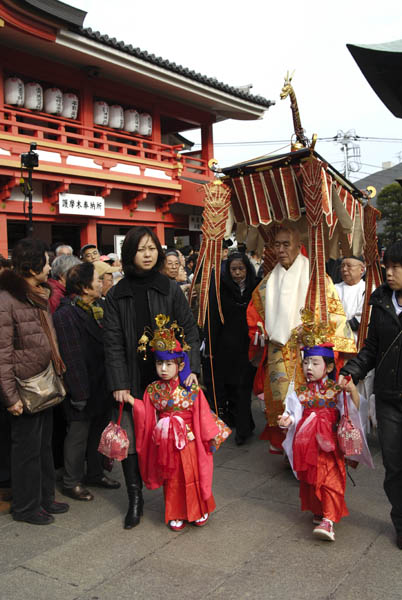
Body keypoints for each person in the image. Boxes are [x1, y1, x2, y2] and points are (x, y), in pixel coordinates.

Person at [103, 226, 200, 529]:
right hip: (133, 379)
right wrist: (119, 383)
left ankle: (182, 498)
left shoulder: (169, 288)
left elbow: (189, 329)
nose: (147, 254)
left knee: (175, 439)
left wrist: (190, 369)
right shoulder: (116, 295)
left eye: (152, 248)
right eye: (140, 249)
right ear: (129, 254)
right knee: (131, 438)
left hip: (169, 378)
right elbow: (113, 342)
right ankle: (135, 498)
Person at [247, 225, 356, 455]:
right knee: (280, 405)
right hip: (278, 352)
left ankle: (308, 451)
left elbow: (333, 315)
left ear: (299, 246)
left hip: (308, 353)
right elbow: (255, 313)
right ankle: (288, 451)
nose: (281, 249)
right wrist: (258, 332)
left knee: (310, 405)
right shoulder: (268, 281)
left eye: (286, 244)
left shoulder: (316, 278)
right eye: (277, 244)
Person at [129, 315, 230, 531]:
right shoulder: (153, 390)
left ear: (180, 364)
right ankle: (175, 511)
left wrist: (208, 436)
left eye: (168, 364)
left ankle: (198, 509)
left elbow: (202, 413)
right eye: (159, 363)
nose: (163, 369)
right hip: (166, 442)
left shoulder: (190, 389)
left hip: (189, 440)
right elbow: (146, 415)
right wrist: (131, 401)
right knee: (172, 477)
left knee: (192, 474)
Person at [278, 325, 371, 542]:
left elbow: (355, 409)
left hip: (329, 444)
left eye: (315, 363)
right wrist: (287, 420)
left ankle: (329, 520)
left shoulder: (336, 390)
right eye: (306, 362)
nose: (308, 367)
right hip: (308, 444)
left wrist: (354, 391)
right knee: (311, 479)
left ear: (329, 367)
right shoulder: (300, 391)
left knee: (330, 479)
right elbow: (293, 412)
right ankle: (320, 510)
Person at [338, 239, 402, 549]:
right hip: (388, 398)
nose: (389, 273)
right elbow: (372, 347)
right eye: (387, 266)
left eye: (396, 267)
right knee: (394, 464)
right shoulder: (380, 302)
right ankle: (401, 522)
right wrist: (352, 370)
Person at [0, 239, 69, 525]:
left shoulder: (35, 293)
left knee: (43, 447)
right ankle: (26, 507)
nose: (50, 266)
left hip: (44, 382)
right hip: (25, 386)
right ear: (30, 267)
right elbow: (2, 353)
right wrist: (10, 396)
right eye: (45, 261)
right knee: (26, 450)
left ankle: (44, 498)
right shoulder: (7, 300)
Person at [53, 262, 120, 502]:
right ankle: (71, 481)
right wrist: (79, 394)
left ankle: (94, 473)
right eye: (97, 279)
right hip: (81, 386)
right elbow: (71, 357)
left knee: (98, 433)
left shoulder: (99, 307)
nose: (101, 283)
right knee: (78, 435)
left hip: (101, 383)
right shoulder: (66, 314)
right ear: (83, 286)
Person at [207, 252, 257, 444]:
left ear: (247, 269)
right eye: (233, 269)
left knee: (243, 387)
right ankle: (243, 423)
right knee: (231, 386)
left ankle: (243, 429)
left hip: (249, 345)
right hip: (226, 347)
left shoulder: (255, 286)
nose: (237, 273)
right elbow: (213, 318)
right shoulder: (220, 289)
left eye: (241, 269)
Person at [335, 256, 375, 431]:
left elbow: (362, 319)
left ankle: (360, 430)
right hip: (338, 350)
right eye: (342, 266)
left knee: (361, 390)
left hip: (360, 348)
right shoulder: (335, 288)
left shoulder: (368, 289)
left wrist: (340, 325)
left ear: (362, 269)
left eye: (349, 266)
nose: (344, 269)